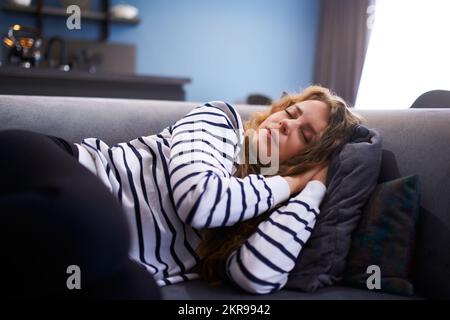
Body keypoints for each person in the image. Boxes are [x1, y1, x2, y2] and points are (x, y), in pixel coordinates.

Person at [0, 85, 361, 298]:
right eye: (292, 112)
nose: (286, 123)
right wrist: (294, 182)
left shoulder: (263, 207)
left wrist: (312, 190)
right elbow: (200, 201)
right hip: (52, 168)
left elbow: (257, 275)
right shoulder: (221, 122)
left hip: (90, 246)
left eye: (305, 134)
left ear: (311, 159)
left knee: (138, 290)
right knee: (103, 232)